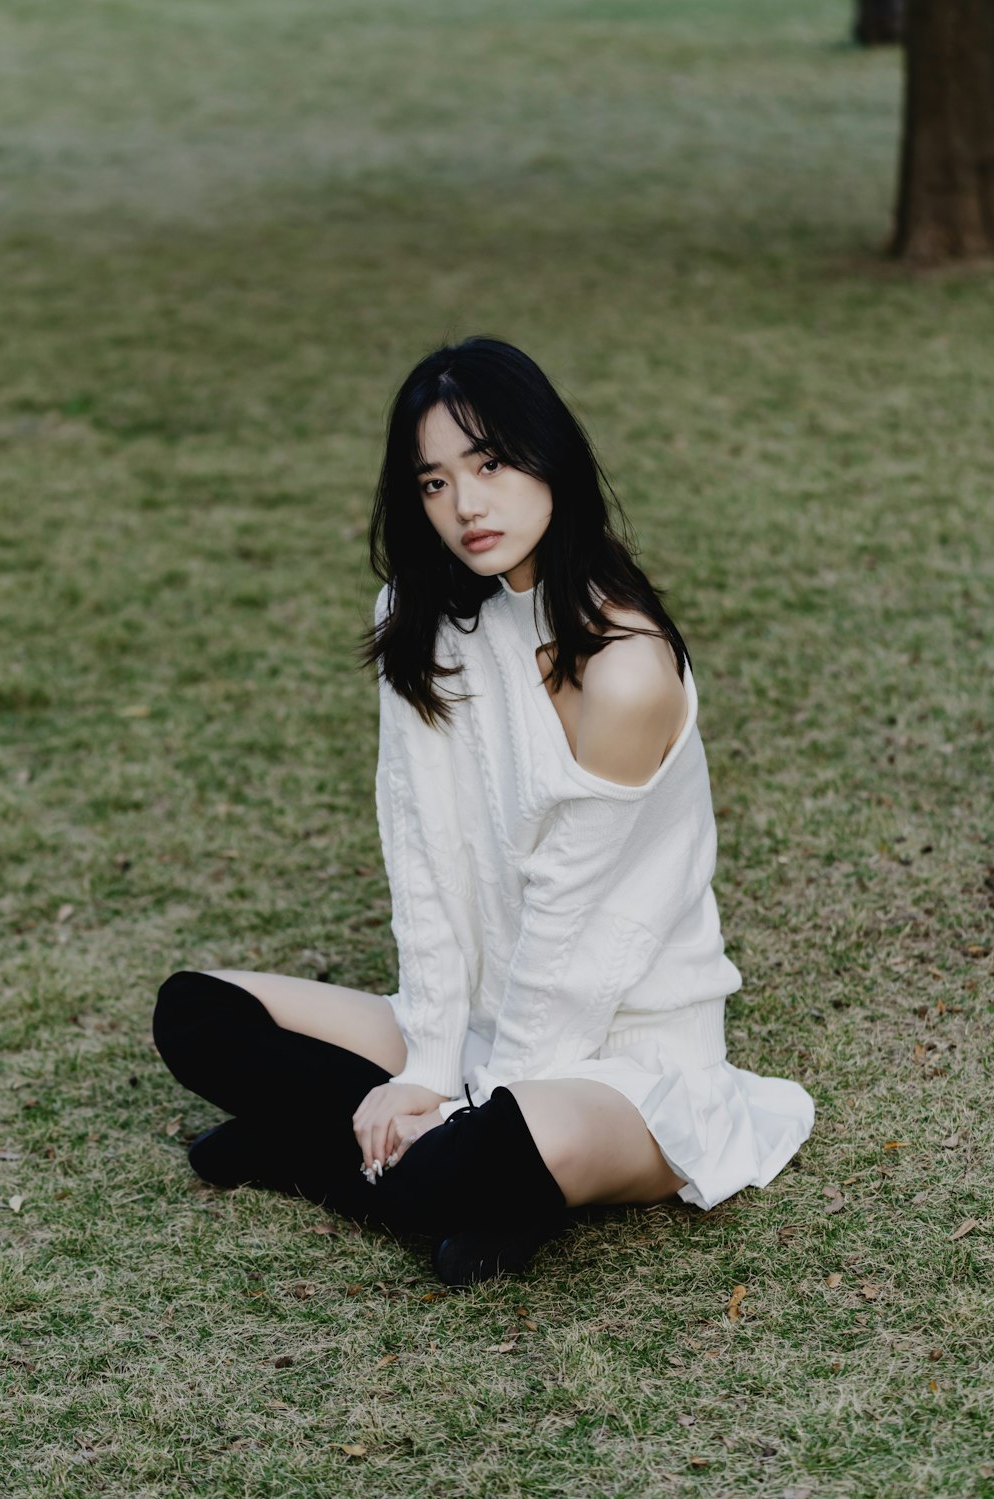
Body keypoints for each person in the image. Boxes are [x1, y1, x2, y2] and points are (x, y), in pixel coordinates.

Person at [152, 336, 814, 1285]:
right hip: (469, 1019)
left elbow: (578, 932)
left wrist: (474, 1100)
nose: (465, 505)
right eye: (433, 482)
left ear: (549, 455)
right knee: (197, 1013)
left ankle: (324, 1152)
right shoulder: (425, 619)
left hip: (617, 1059)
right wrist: (426, 1062)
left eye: (490, 463)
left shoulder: (627, 672)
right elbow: (423, 858)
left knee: (479, 1154)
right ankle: (450, 1174)